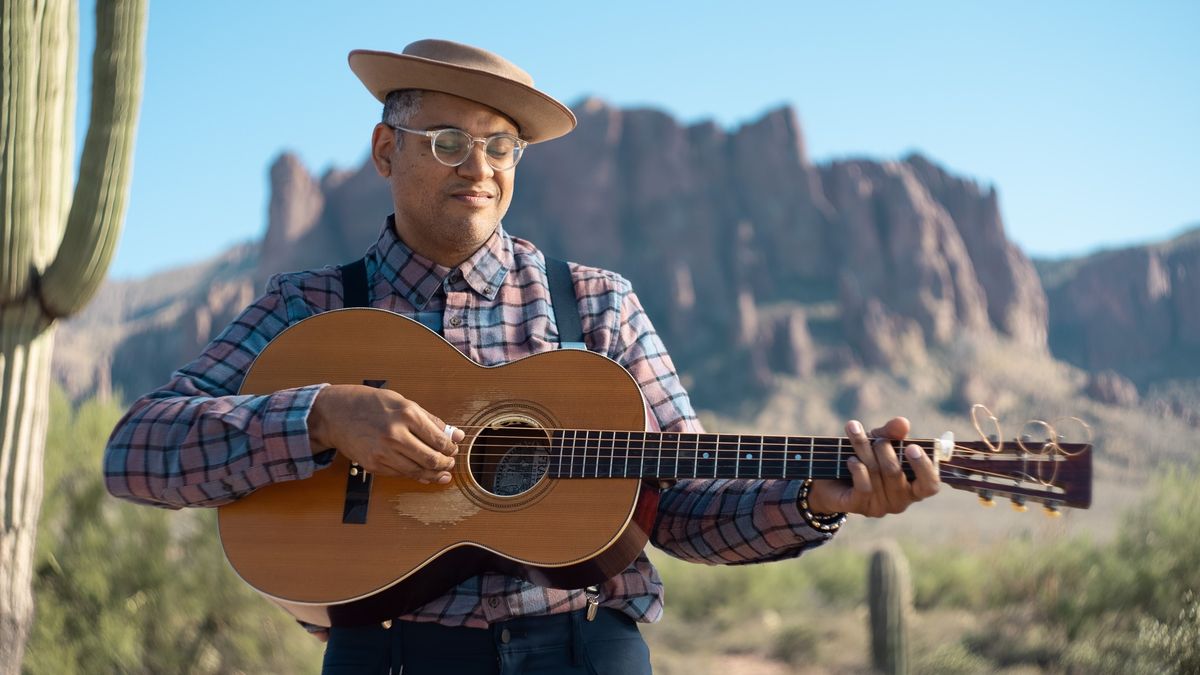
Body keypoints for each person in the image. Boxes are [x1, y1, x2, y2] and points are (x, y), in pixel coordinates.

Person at [104, 39, 940, 674]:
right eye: (446, 142)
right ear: (386, 150)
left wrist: (814, 499)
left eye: (501, 145)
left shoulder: (597, 304)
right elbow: (135, 450)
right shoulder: (308, 308)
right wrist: (321, 415)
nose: (479, 166)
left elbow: (679, 504)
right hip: (388, 657)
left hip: (586, 648)